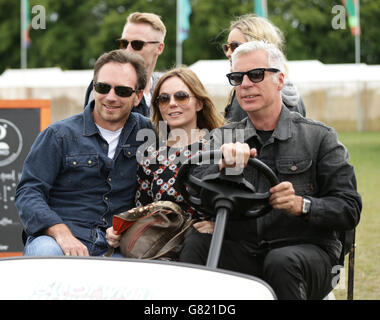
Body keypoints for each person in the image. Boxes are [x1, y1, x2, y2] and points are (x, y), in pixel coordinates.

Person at [178, 41, 362, 299]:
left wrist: (302, 205)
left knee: (281, 261)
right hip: (244, 250)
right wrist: (221, 166)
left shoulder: (319, 137)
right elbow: (193, 180)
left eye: (256, 75)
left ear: (280, 80)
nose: (245, 84)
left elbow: (349, 208)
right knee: (197, 244)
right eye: (237, 77)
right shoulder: (224, 137)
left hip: (305, 251)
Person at [15, 50, 153, 257]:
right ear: (94, 88)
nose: (111, 97)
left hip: (119, 247)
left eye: (122, 91)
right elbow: (28, 193)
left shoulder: (151, 133)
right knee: (46, 253)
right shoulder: (58, 135)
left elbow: (191, 141)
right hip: (59, 242)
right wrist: (60, 232)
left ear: (138, 96)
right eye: (103, 87)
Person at [105, 67, 225, 249]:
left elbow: (239, 206)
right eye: (164, 99)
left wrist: (219, 227)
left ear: (199, 104)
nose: (172, 103)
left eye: (181, 96)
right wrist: (118, 231)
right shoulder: (150, 154)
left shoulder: (221, 145)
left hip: (210, 248)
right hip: (162, 249)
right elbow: (143, 210)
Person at [222, 14, 306, 122]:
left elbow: (237, 136)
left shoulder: (249, 95)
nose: (228, 53)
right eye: (226, 47)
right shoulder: (292, 92)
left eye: (235, 46)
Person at [84, 12, 166, 117]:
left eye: (137, 44)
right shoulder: (103, 86)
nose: (128, 49)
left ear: (159, 48)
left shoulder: (164, 88)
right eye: (124, 43)